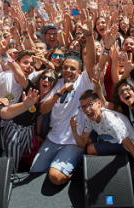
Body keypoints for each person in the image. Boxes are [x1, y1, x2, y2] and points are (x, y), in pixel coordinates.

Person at [31, 10, 95, 185]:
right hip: (53, 138)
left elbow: (90, 60)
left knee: (55, 178)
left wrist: (89, 35)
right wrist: (60, 92)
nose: (68, 71)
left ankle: (75, 167)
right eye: (66, 67)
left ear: (79, 72)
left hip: (74, 141)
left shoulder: (84, 82)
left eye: (73, 69)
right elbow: (43, 110)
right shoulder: (56, 83)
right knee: (34, 172)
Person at [70, 90, 134, 193]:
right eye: (83, 107)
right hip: (112, 138)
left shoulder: (113, 123)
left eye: (89, 105)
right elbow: (82, 143)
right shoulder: (88, 117)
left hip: (131, 146)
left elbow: (131, 147)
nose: (87, 110)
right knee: (88, 145)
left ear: (98, 103)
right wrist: (74, 131)